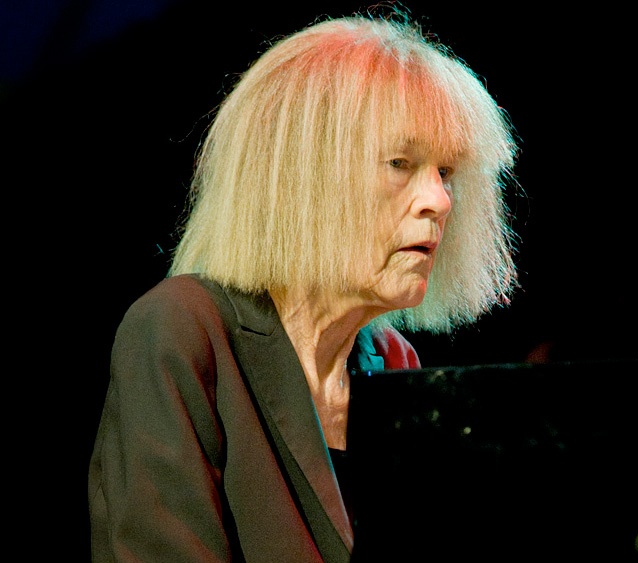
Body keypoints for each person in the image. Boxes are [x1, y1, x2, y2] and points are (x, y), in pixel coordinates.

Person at [88, 10, 518, 562]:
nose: (439, 201)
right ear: (303, 174)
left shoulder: (391, 361)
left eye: (447, 172)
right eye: (400, 162)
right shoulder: (182, 329)